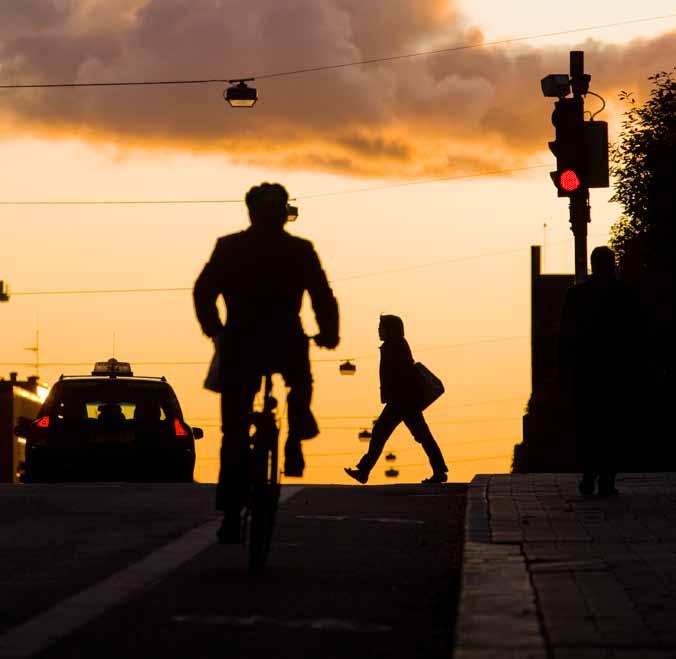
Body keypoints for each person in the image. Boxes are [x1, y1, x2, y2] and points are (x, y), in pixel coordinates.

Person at [193, 182, 339, 542]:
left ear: (250, 212)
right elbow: (322, 294)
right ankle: (296, 429)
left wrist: (216, 330)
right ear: (283, 215)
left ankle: (230, 515)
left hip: (240, 343)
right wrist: (329, 334)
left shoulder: (230, 247)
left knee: (234, 433)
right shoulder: (300, 250)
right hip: (285, 340)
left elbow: (203, 291)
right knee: (300, 383)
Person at [558, 246, 642, 496]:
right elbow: (636, 334)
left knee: (588, 423)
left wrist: (563, 368)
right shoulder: (623, 294)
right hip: (616, 371)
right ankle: (606, 478)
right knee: (613, 425)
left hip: (587, 371)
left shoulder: (576, 295)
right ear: (612, 264)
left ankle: (588, 473)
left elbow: (565, 336)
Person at [344, 314, 448, 485]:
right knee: (418, 435)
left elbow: (400, 375)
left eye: (382, 327)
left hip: (402, 401)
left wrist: (394, 395)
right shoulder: (395, 345)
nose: (379, 330)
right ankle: (439, 470)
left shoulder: (395, 346)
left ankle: (364, 471)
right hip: (403, 400)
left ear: (391, 329)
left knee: (383, 433)